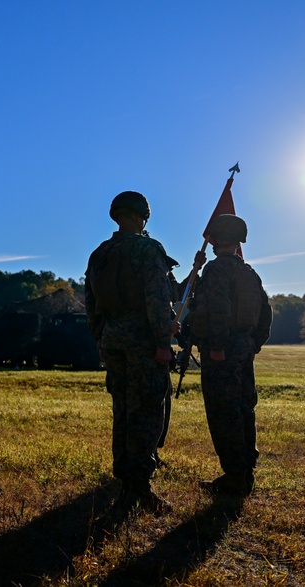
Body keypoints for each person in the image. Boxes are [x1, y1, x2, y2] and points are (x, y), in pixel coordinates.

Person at [85, 190, 181, 515]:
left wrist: (101, 337)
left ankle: (124, 476)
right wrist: (163, 342)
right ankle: (138, 488)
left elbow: (92, 303)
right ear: (143, 216)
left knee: (123, 409)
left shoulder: (100, 253)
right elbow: (156, 299)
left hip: (113, 338)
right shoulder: (148, 249)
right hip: (144, 340)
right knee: (147, 412)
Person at [187, 214, 272, 498]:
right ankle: (245, 471)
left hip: (221, 350)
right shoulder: (250, 273)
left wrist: (219, 346)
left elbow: (219, 308)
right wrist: (252, 344)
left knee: (224, 413)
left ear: (219, 239)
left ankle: (234, 477)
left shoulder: (217, 270)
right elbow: (265, 313)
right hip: (243, 347)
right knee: (244, 409)